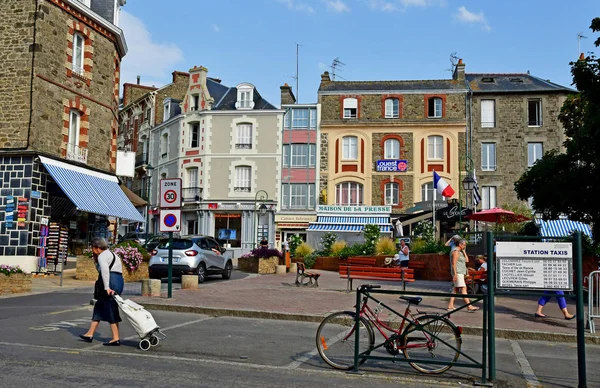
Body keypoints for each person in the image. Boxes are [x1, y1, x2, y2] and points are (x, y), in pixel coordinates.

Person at [79, 237, 124, 346]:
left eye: (92, 248)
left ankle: (116, 338)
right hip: (118, 280)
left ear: (96, 248)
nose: (91, 250)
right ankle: (90, 333)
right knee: (100, 305)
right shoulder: (111, 254)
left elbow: (104, 271)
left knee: (110, 307)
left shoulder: (102, 257)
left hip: (110, 281)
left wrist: (107, 287)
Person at [447, 238, 479, 312]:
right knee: (464, 288)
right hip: (458, 272)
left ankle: (450, 305)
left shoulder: (460, 251)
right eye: (464, 244)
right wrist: (455, 275)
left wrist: (464, 251)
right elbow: (453, 264)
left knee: (455, 289)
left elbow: (467, 260)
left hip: (461, 272)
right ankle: (469, 306)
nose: (465, 246)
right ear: (460, 244)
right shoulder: (456, 252)